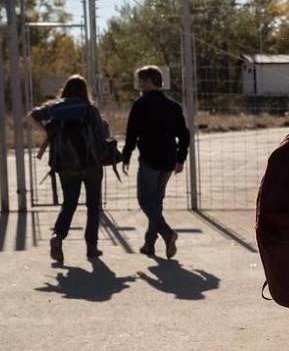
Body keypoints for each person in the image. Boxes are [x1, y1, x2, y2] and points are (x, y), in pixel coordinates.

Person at [27, 75, 107, 264]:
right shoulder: (90, 109)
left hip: (65, 164)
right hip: (90, 164)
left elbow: (30, 117)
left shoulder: (55, 107)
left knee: (69, 204)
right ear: (85, 90)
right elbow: (101, 135)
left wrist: (47, 131)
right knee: (93, 206)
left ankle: (58, 236)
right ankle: (91, 247)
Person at [121, 66, 190, 259]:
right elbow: (184, 135)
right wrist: (180, 158)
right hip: (168, 160)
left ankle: (167, 233)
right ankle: (149, 244)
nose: (138, 84)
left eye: (140, 80)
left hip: (150, 159)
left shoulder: (140, 105)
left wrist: (126, 156)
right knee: (156, 202)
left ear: (149, 81)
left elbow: (131, 134)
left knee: (145, 200)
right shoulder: (173, 106)